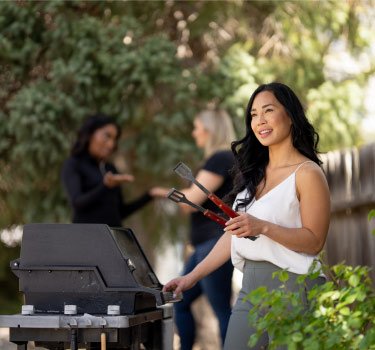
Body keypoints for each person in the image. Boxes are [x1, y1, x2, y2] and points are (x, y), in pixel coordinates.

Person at [163, 83, 331, 350]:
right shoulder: (252, 175)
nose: (259, 120)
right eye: (253, 114)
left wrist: (263, 226)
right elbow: (233, 235)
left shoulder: (308, 173)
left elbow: (314, 241)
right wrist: (190, 278)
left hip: (296, 287)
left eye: (268, 110)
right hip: (251, 291)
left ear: (290, 115)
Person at [170, 109, 236, 350]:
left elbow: (193, 200)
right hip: (205, 245)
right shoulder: (222, 158)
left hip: (215, 243)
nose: (193, 132)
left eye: (196, 127)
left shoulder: (220, 158)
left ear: (209, 130)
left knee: (221, 309)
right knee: (181, 301)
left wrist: (176, 196)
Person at [61, 114, 165, 227]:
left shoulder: (110, 169)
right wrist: (105, 186)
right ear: (90, 134)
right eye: (107, 136)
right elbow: (77, 203)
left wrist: (150, 194)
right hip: (86, 238)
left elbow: (120, 212)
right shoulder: (74, 164)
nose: (111, 144)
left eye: (114, 139)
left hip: (112, 238)